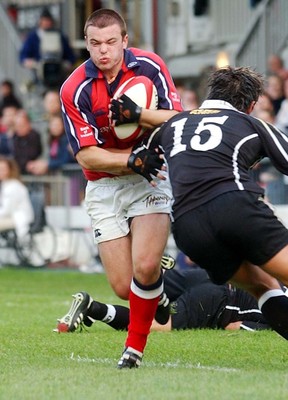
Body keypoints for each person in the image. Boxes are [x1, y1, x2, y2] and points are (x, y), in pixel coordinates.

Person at [58, 8, 183, 369]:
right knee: (122, 286)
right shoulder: (73, 88)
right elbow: (86, 157)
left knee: (143, 268)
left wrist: (139, 117)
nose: (103, 51)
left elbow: (178, 118)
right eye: (95, 43)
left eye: (111, 42)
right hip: (105, 187)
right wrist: (131, 161)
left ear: (124, 41)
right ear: (86, 44)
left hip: (151, 178)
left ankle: (133, 351)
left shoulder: (151, 66)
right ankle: (154, 288)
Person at [128, 66, 288, 344]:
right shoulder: (251, 123)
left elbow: (142, 159)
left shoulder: (172, 125)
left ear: (209, 95)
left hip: (188, 227)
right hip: (235, 206)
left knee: (263, 286)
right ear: (250, 105)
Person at [55, 267, 273, 334]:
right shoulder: (281, 316)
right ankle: (93, 308)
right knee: (159, 325)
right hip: (218, 299)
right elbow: (233, 326)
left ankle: (161, 268)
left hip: (214, 276)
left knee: (145, 285)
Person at [19, 7, 76, 88]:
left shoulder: (60, 36)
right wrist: (33, 64)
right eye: (45, 20)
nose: (47, 23)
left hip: (59, 74)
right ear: (40, 22)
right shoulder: (32, 38)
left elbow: (70, 56)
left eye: (48, 21)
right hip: (40, 76)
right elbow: (23, 57)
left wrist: (66, 64)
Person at [0, 156, 34, 239]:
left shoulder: (13, 186)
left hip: (18, 218)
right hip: (11, 216)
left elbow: (7, 210)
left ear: (9, 170)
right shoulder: (5, 184)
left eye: (3, 169)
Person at [12, 109, 43, 175]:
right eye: (17, 126)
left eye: (21, 125)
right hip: (19, 170)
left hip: (35, 171)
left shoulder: (35, 136)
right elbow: (15, 155)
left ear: (28, 124)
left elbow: (33, 153)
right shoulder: (14, 137)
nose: (19, 128)